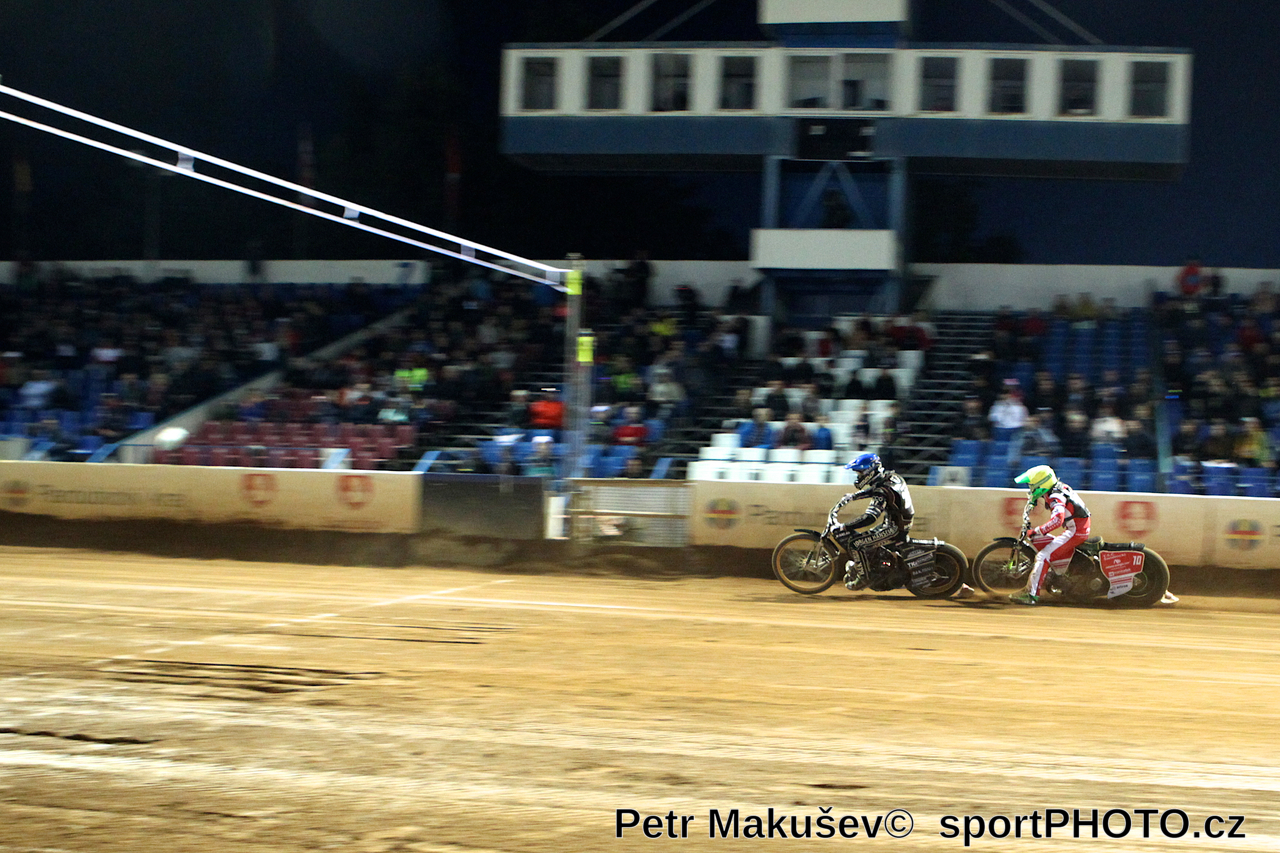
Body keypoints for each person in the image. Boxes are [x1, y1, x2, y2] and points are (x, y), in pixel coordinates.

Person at [1011, 465, 1091, 606]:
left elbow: (1057, 520)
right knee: (1048, 548)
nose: (1030, 488)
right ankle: (1057, 573)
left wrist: (1038, 531)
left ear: (1042, 483)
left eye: (1032, 485)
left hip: (1076, 531)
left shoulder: (1055, 497)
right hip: (1077, 528)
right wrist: (1035, 500)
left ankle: (1031, 595)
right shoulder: (1055, 488)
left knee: (1042, 556)